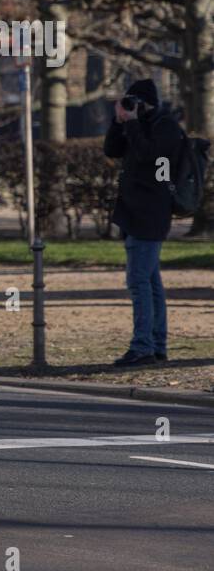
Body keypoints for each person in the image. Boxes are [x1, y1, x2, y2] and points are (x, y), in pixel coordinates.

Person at [103, 78, 184, 367]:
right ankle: (156, 344)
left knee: (138, 281)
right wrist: (119, 120)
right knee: (150, 282)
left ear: (146, 102)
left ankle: (143, 346)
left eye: (134, 102)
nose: (130, 106)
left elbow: (148, 155)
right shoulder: (137, 124)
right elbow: (112, 150)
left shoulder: (166, 127)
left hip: (151, 213)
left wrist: (133, 122)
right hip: (134, 212)